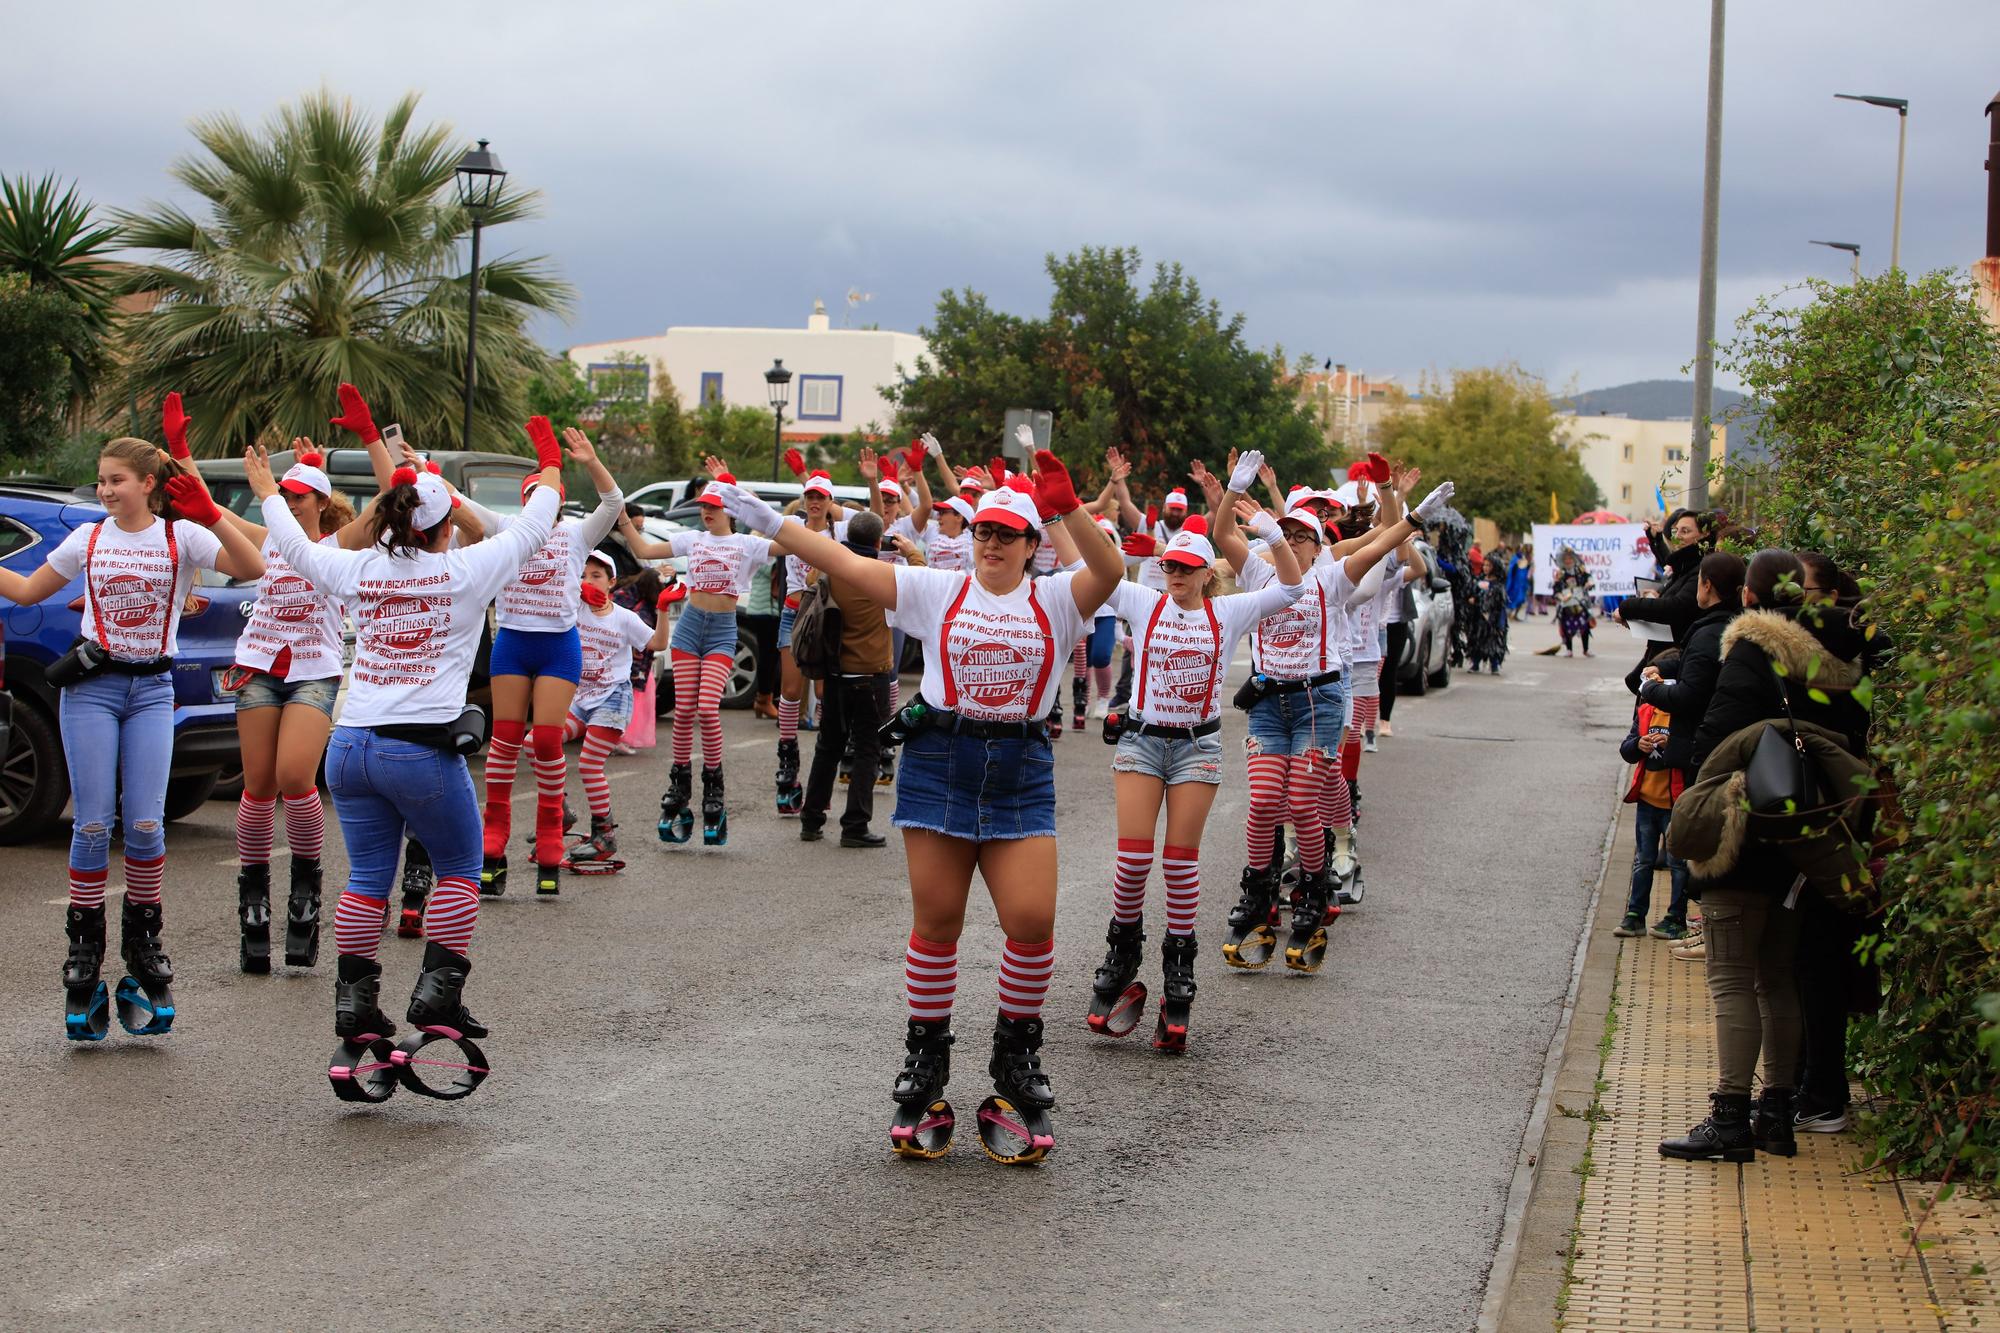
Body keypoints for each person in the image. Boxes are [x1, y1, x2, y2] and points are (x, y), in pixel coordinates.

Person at [709, 428, 1124, 1165]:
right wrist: (775, 523)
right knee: (938, 923)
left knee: (1031, 920)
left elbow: (1111, 567)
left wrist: (1064, 509)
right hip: (940, 761)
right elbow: (843, 561)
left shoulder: (1059, 599)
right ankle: (926, 1066)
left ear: (1031, 544)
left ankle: (1014, 1063)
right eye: (985, 530)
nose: (992, 540)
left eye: (1007, 533)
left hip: (1022, 769)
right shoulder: (938, 588)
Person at [242, 426, 567, 1077]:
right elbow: (538, 521)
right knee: (458, 864)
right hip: (417, 753)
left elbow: (295, 549)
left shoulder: (358, 566)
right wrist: (553, 463)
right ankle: (437, 993)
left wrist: (266, 493)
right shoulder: (468, 569)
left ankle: (355, 1008)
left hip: (350, 749)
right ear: (446, 527)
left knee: (367, 879)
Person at [1, 424, 265, 1040]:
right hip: (90, 691)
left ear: (149, 484)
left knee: (144, 826)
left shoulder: (182, 535)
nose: (105, 489)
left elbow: (251, 565)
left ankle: (144, 946)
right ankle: (85, 952)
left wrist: (214, 515)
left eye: (116, 480)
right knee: (93, 824)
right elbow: (28, 586)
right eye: (101, 480)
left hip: (153, 691)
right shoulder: (89, 538)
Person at [1087, 450, 1305, 1052]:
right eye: (1169, 568)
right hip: (1141, 743)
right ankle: (1121, 952)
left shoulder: (1229, 612)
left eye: (1186, 569)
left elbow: (1293, 588)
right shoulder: (1140, 602)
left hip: (1196, 750)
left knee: (1180, 865)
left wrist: (1265, 528)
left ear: (1207, 573)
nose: (1175, 577)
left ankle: (1178, 975)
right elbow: (1096, 571)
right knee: (1133, 862)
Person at [1659, 550, 1872, 1164]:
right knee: (1779, 977)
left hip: (1746, 832)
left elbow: (1714, 745)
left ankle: (1730, 1117)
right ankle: (1777, 1113)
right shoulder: (1838, 660)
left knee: (1732, 979)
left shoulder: (1752, 652)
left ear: (1749, 599)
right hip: (1805, 835)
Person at [1230, 471, 1454, 971]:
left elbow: (1381, 543)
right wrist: (1226, 493)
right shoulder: (1259, 575)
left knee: (1303, 802)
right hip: (1269, 702)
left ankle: (1313, 889)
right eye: (1282, 534)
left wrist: (1412, 515)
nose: (1289, 542)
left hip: (1320, 701)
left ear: (1317, 545)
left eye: (1300, 535)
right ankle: (1258, 889)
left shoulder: (1333, 575)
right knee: (1266, 801)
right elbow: (1225, 537)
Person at [204, 418, 387, 974]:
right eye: (281, 493)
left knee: (293, 778)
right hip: (258, 667)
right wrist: (185, 455)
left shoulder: (339, 545)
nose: (285, 500)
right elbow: (214, 514)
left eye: (297, 495)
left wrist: (373, 442)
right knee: (257, 785)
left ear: (318, 503)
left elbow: (388, 499)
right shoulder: (267, 541)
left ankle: (306, 892)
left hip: (314, 671)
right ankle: (254, 901)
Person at [456, 423, 622, 896]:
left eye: (544, 497)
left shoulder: (575, 533)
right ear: (525, 501)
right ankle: (493, 844)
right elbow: (455, 501)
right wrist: (412, 463)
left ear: (557, 501)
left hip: (557, 647)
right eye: (530, 497)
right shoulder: (510, 529)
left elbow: (613, 505)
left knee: (547, 742)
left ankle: (551, 842)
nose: (537, 506)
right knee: (506, 739)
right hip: (513, 643)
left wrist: (590, 460)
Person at [617, 458, 778, 847]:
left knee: (708, 708)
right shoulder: (693, 540)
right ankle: (679, 786)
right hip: (689, 627)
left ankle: (714, 791)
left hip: (723, 632)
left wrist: (743, 496)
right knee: (685, 710)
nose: (706, 512)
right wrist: (620, 514)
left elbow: (789, 540)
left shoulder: (749, 545)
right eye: (703, 507)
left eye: (713, 507)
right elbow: (642, 547)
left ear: (730, 512)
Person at [1634, 550, 1746, 950]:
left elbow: (1691, 695)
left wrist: (1652, 689)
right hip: (1723, 748)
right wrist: (1669, 669)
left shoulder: (1709, 630)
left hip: (1704, 752)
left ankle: (1708, 928)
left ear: (1707, 586)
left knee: (1703, 839)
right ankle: (1708, 924)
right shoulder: (1734, 625)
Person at [566, 551, 673, 867]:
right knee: (537, 743)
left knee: (588, 764)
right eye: (583, 575)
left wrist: (663, 608)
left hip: (613, 699)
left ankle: (604, 835)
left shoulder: (624, 617)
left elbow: (657, 644)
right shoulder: (573, 610)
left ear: (612, 582)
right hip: (580, 699)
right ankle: (559, 813)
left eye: (596, 576)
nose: (588, 581)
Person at [797, 508, 896, 848]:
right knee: (868, 749)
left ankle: (811, 820)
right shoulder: (884, 574)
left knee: (828, 747)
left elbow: (810, 580)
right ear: (879, 541)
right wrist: (910, 550)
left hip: (836, 672)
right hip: (872, 676)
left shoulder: (831, 570)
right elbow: (924, 579)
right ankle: (855, 825)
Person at [1616, 647, 1691, 938]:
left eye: (1656, 677)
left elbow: (1693, 752)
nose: (1650, 683)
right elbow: (1627, 748)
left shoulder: (1684, 715)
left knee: (1678, 863)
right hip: (1647, 799)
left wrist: (1671, 746)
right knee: (1643, 860)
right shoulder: (1646, 710)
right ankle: (1635, 915)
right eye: (1649, 677)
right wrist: (1639, 746)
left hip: (1675, 801)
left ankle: (1676, 917)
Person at [1617, 508, 1710, 693]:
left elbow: (1677, 608)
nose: (1678, 537)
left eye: (1686, 531)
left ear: (1704, 535)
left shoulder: (1700, 568)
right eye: (1676, 531)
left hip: (1671, 661)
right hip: (1661, 656)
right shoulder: (1685, 565)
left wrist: (1628, 607)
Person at [1465, 551, 1511, 673]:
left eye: (1488, 565)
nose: (1485, 568)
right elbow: (1472, 594)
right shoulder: (1479, 580)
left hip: (1493, 618)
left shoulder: (1498, 585)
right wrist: (1472, 598)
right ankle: (1475, 664)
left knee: (1493, 641)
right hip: (1479, 617)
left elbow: (1499, 602)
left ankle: (1494, 665)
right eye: (1484, 565)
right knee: (1477, 639)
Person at [1552, 548, 1596, 656]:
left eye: (1570, 558)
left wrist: (1589, 583)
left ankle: (1586, 649)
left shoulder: (1580, 570)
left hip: (1580, 601)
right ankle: (1569, 649)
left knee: (1585, 625)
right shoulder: (1560, 573)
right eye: (1566, 559)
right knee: (1566, 626)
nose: (1568, 561)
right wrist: (1561, 597)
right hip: (1567, 603)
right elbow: (1556, 590)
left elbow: (1590, 579)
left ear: (1574, 558)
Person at [1506, 544, 1532, 621]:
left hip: (1523, 583)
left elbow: (1527, 569)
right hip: (1515, 583)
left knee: (1521, 599)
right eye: (1521, 549)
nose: (1522, 550)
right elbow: (1511, 570)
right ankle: (1510, 613)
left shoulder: (1524, 558)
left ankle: (1515, 615)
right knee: (1514, 599)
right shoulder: (1515, 558)